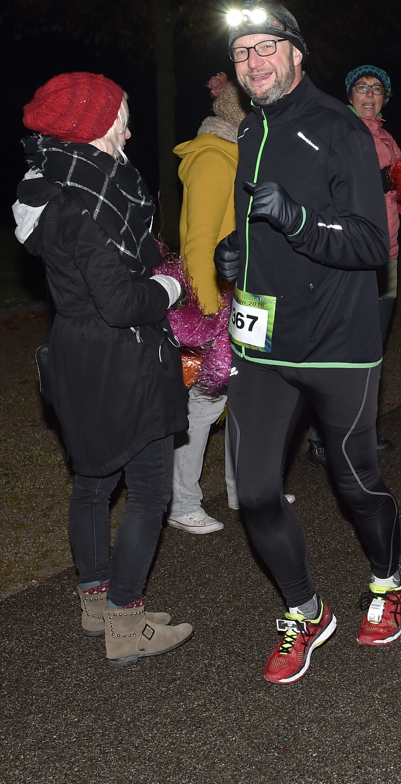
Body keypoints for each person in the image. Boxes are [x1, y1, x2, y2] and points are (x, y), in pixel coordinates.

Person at [213, 0, 401, 684]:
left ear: (296, 53)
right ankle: (306, 610)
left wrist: (295, 219)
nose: (253, 62)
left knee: (355, 483)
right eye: (241, 52)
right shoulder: (248, 133)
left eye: (266, 47)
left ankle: (388, 579)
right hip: (263, 344)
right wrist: (233, 253)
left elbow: (366, 243)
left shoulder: (340, 130)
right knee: (255, 491)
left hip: (338, 343)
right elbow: (255, 227)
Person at [13, 72, 194, 664]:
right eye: (118, 116)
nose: (128, 127)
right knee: (146, 491)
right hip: (123, 357)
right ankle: (125, 620)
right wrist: (169, 286)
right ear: (91, 125)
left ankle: (97, 600)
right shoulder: (87, 204)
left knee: (92, 482)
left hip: (77, 354)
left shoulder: (61, 187)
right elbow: (120, 302)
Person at [305, 64, 401, 465]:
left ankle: (360, 432)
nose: (369, 93)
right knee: (339, 348)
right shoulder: (339, 131)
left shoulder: (386, 137)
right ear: (349, 94)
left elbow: (395, 194)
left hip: (388, 254)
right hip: (351, 255)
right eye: (361, 86)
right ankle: (321, 437)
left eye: (376, 88)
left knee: (372, 347)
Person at [166, 74, 243, 533]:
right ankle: (181, 503)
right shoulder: (214, 158)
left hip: (244, 298)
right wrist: (208, 316)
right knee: (203, 406)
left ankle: (245, 490)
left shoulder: (240, 155)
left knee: (247, 397)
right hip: (216, 304)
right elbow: (197, 244)